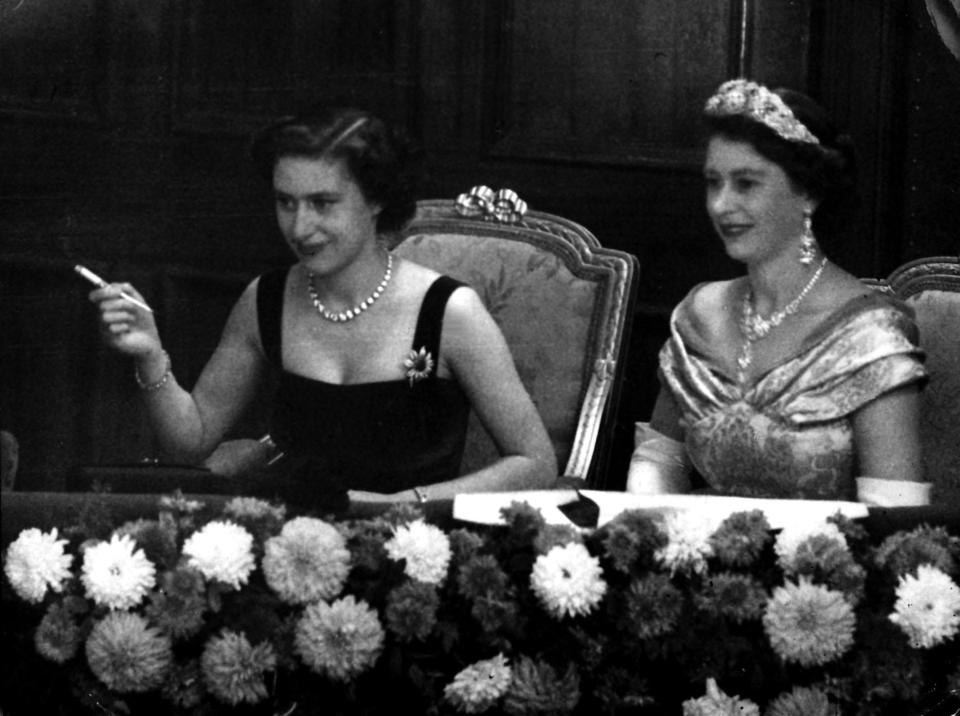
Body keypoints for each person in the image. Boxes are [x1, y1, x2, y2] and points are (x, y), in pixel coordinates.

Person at [89, 106, 557, 512]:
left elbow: (535, 463)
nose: (300, 226)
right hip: (289, 551)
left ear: (376, 199)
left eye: (323, 203)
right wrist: (149, 352)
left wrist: (402, 505)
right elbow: (190, 443)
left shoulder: (452, 313)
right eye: (285, 202)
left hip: (414, 556)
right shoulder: (264, 300)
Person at [627, 79, 930, 506]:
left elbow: (896, 513)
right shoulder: (699, 313)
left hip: (830, 567)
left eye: (745, 183)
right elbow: (659, 462)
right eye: (714, 182)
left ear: (807, 192)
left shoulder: (870, 336)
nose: (720, 204)